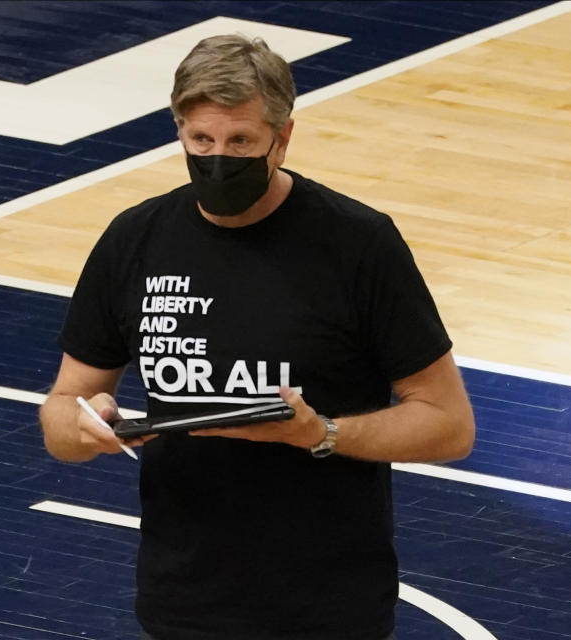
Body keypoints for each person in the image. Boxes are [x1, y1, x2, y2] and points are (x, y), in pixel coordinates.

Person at [39, 33, 475, 640]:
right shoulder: (133, 240)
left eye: (240, 140)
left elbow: (450, 424)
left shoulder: (358, 245)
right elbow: (63, 413)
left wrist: (320, 434)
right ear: (180, 131)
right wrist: (84, 426)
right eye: (201, 140)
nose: (218, 159)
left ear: (283, 136)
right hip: (182, 600)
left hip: (326, 607)